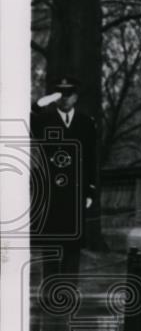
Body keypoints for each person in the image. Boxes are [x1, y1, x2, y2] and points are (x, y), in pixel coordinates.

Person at [30, 76, 98, 292]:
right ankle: (50, 290)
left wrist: (90, 190)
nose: (65, 98)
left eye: (69, 94)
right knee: (51, 242)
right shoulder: (44, 120)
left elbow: (91, 159)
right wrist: (44, 101)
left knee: (72, 244)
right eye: (60, 93)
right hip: (51, 191)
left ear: (76, 97)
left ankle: (68, 290)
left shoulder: (86, 123)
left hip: (75, 192)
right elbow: (28, 118)